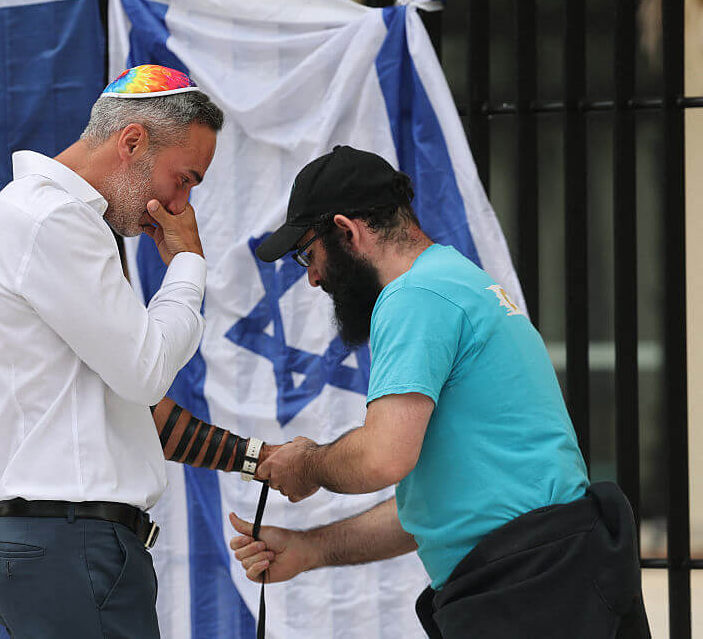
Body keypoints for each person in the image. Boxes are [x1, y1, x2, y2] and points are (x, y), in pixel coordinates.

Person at [227, 146, 651, 638]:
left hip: (531, 584)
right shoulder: (452, 280)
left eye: (308, 253)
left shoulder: (414, 296)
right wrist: (312, 548)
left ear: (347, 231)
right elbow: (437, 512)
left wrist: (309, 465)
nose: (313, 276)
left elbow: (382, 459)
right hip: (553, 574)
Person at [0, 65, 273, 639]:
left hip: (61, 544)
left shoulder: (31, 216)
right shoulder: (53, 220)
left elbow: (124, 408)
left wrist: (254, 458)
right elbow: (146, 372)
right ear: (132, 142)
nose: (182, 201)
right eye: (186, 178)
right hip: (74, 543)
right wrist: (187, 266)